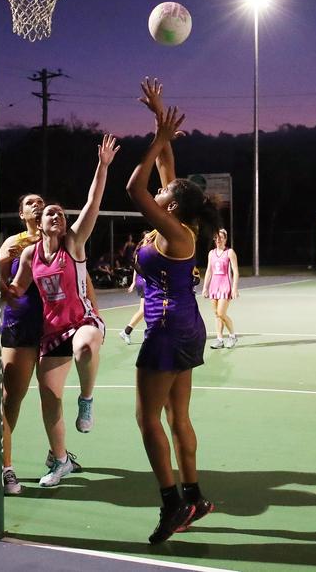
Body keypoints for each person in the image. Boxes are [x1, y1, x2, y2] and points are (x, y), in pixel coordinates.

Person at [126, 78, 220, 544]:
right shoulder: (179, 222)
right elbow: (166, 167)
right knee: (178, 418)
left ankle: (173, 505)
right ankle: (196, 495)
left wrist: (158, 141)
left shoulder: (174, 231)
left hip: (165, 329)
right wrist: (159, 119)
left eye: (167, 193)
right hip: (187, 327)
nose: (161, 193)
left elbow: (133, 187)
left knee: (148, 420)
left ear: (173, 204)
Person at [6, 135, 119, 488]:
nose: (54, 215)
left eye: (59, 212)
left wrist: (102, 166)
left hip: (82, 321)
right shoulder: (28, 254)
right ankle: (59, 460)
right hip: (52, 332)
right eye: (48, 213)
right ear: (39, 224)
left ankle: (86, 400)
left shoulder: (74, 242)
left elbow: (92, 203)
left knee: (85, 345)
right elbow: (17, 290)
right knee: (49, 397)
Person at [0, 193, 99, 495]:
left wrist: (91, 314)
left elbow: (83, 278)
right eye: (31, 203)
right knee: (11, 400)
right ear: (22, 214)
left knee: (50, 394)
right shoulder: (14, 246)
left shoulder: (66, 241)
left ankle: (58, 455)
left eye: (43, 203)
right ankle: (4, 466)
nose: (38, 205)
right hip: (20, 326)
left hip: (52, 326)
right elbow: (8, 288)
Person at [202, 228, 239, 348]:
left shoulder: (230, 252)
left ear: (225, 239)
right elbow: (209, 271)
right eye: (216, 238)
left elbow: (236, 272)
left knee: (221, 313)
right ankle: (219, 340)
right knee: (217, 315)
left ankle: (233, 336)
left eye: (221, 237)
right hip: (214, 286)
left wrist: (234, 288)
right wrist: (205, 287)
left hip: (225, 286)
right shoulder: (211, 253)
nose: (218, 240)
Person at [118, 266, 146, 345]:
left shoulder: (140, 254)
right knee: (143, 310)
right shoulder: (146, 254)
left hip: (144, 281)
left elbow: (136, 266)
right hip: (145, 282)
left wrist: (134, 282)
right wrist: (133, 282)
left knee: (144, 310)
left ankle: (126, 331)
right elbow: (137, 266)